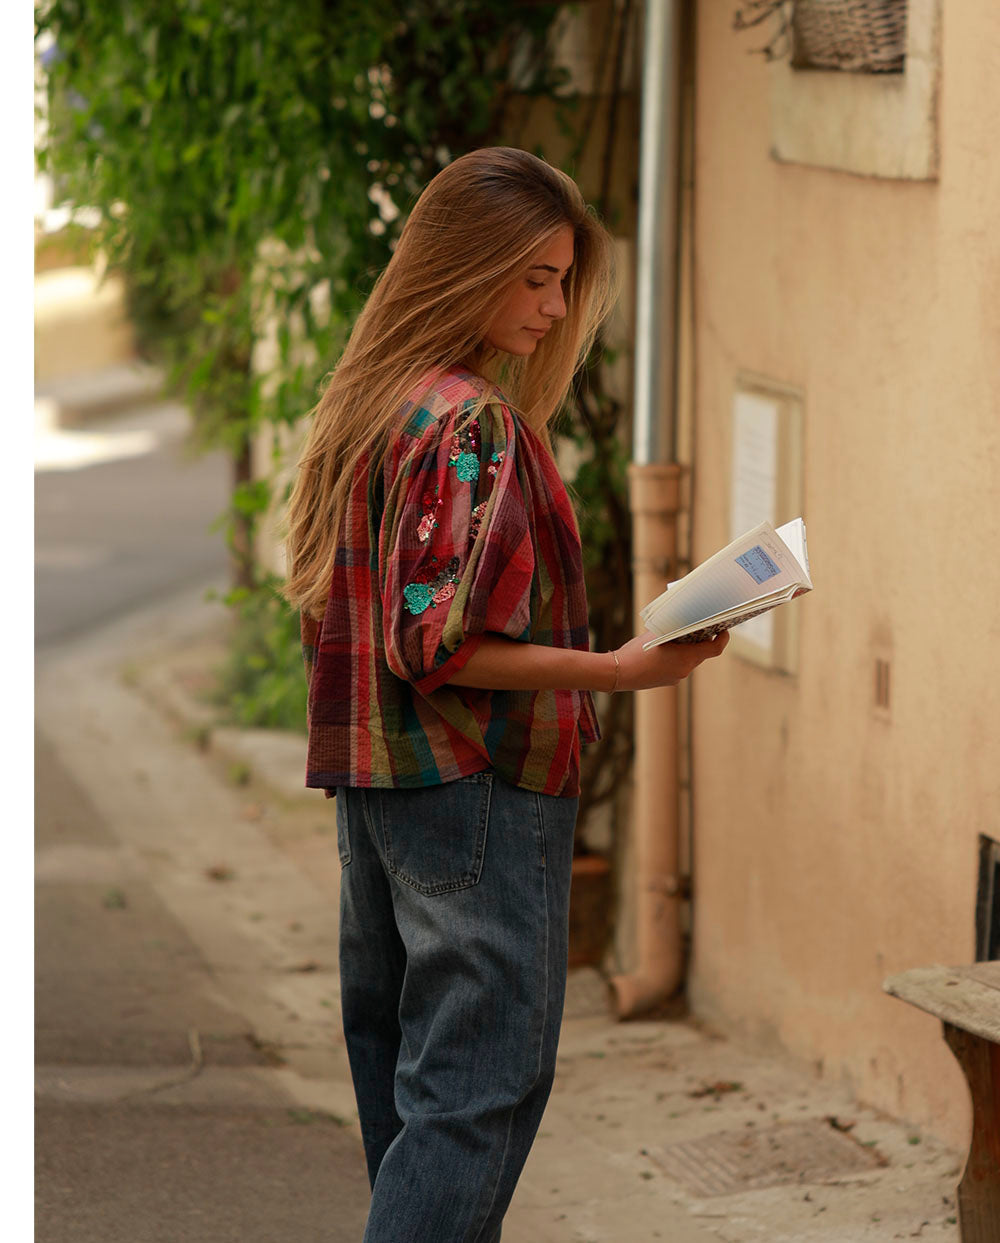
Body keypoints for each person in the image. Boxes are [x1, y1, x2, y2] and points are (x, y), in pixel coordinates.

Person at [282, 146, 729, 1242]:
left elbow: (358, 618)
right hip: (472, 785)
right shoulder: (466, 421)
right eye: (533, 278)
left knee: (411, 1085)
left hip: (379, 790)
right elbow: (433, 644)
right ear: (464, 265)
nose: (555, 307)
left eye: (562, 280)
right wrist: (623, 667)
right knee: (478, 1091)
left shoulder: (372, 401)